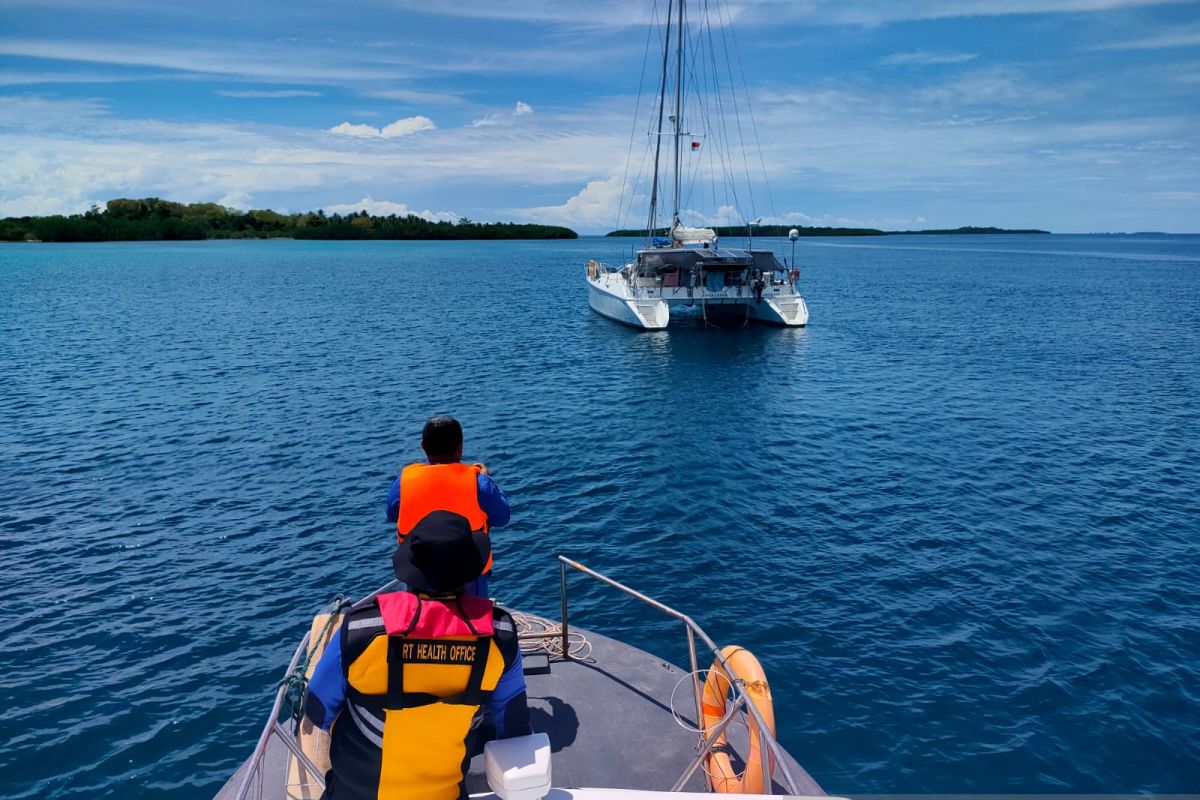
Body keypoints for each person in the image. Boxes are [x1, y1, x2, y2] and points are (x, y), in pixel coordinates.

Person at [304, 511, 530, 800]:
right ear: (471, 573)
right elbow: (513, 727)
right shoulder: (500, 637)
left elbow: (318, 711)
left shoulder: (361, 632)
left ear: (410, 569)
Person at [387, 416, 510, 597]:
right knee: (472, 621)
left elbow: (392, 514)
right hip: (468, 573)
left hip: (419, 573)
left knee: (423, 621)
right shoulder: (479, 483)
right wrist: (487, 479)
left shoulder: (403, 483)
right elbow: (502, 517)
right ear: (460, 448)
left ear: (423, 447)